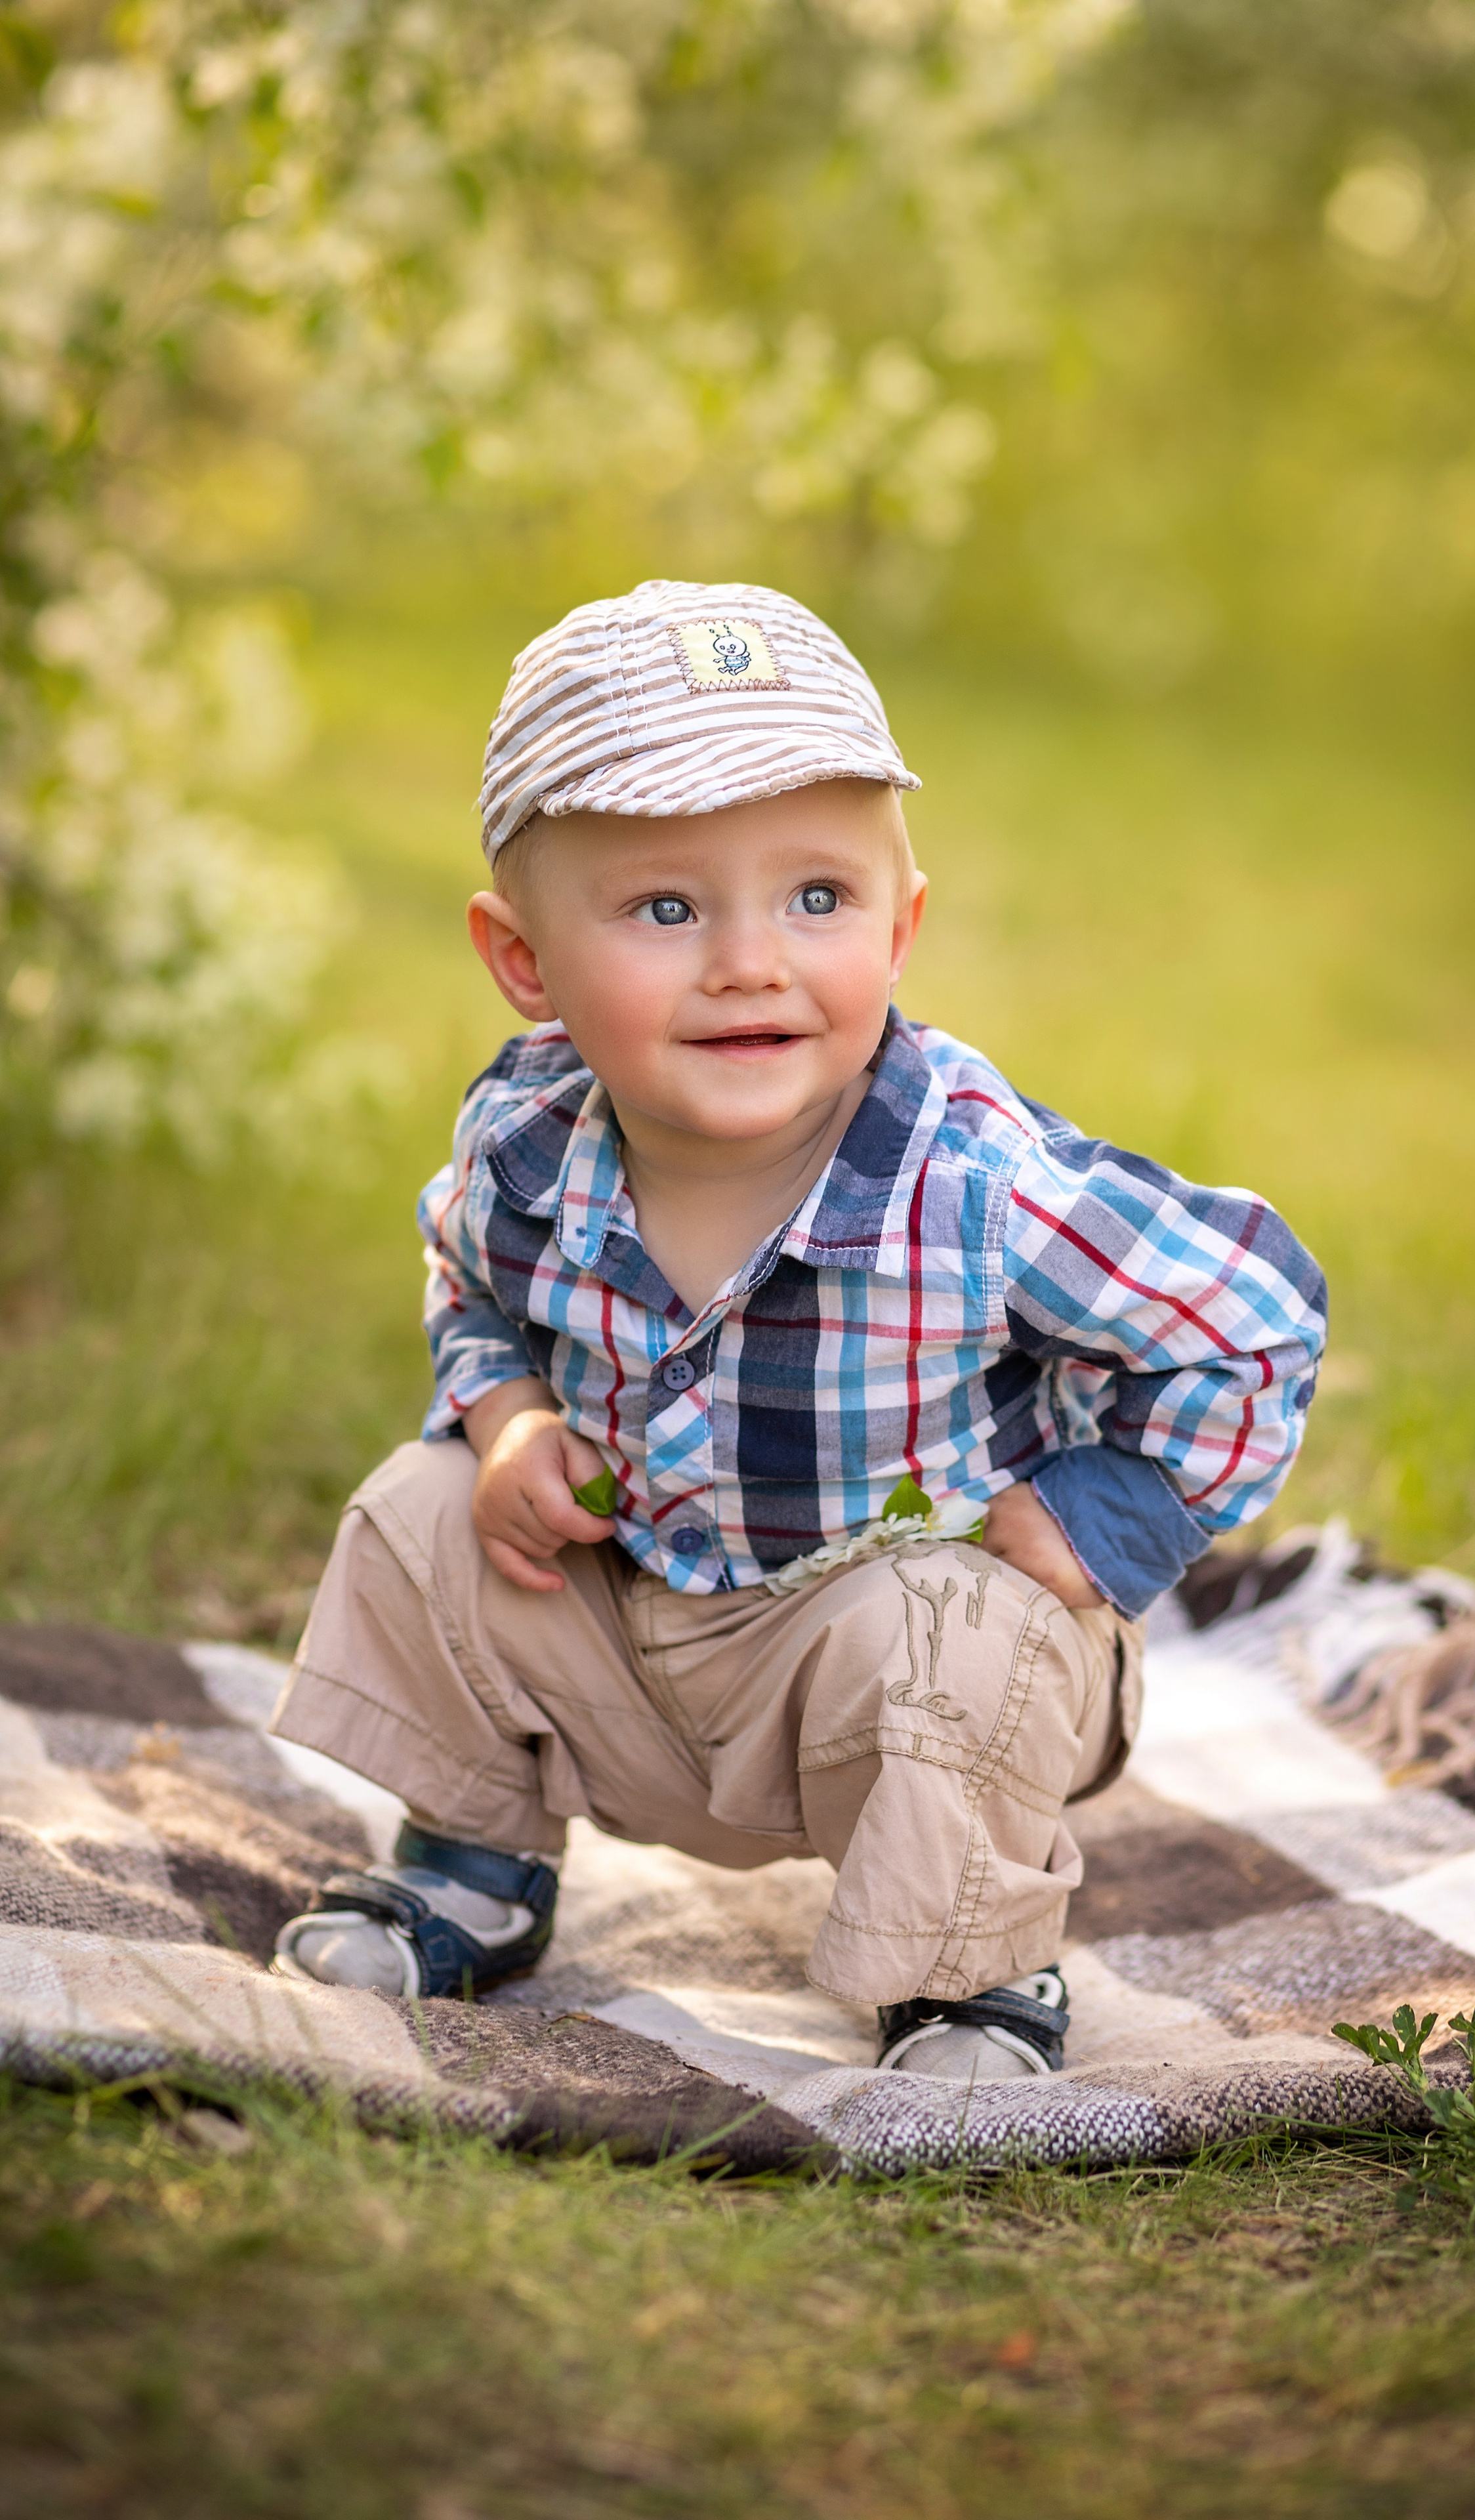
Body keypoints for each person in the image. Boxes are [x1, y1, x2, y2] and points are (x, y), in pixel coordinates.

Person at [270, 580, 1327, 2081]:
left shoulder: (966, 1177)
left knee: (954, 1623)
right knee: (425, 1507)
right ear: (525, 964)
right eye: (664, 907)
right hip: (633, 1643)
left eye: (814, 898)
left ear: (899, 928)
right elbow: (465, 1277)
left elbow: (1257, 1310)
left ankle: (963, 1975)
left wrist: (1104, 1518)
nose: (749, 961)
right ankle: (472, 1867)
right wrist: (506, 1419)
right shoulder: (524, 1144)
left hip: (892, 1676)